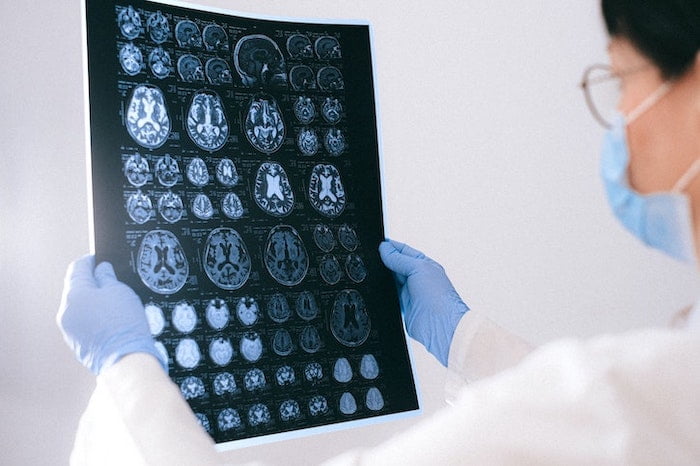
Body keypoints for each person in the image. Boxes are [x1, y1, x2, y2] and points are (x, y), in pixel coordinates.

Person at [58, 1, 700, 464]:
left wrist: (128, 367)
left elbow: (603, 409)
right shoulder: (657, 390)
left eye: (620, 77)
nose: (618, 117)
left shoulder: (636, 397)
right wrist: (465, 337)